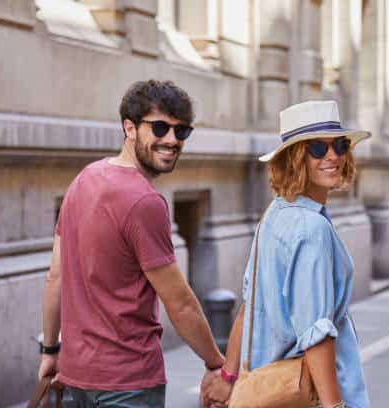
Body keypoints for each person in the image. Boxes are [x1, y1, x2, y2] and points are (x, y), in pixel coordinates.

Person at [38, 80, 225, 407]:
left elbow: (55, 276)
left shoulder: (84, 179)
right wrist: (218, 365)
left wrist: (51, 350)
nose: (171, 140)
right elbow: (180, 303)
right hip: (129, 384)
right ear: (129, 127)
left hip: (77, 378)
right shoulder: (145, 203)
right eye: (160, 127)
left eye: (181, 132)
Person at [202, 100, 371, 408]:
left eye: (340, 145)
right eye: (317, 148)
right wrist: (336, 407)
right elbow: (316, 334)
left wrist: (229, 378)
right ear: (295, 158)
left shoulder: (276, 214)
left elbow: (248, 306)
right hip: (308, 395)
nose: (332, 155)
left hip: (268, 390)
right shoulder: (311, 229)